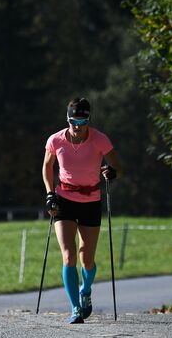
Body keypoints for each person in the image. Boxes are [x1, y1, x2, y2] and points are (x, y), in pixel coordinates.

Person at [42, 97, 122, 324]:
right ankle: (75, 308)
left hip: (90, 200)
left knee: (87, 258)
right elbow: (47, 166)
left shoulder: (100, 140)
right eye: (74, 121)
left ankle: (85, 290)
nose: (78, 126)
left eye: (83, 120)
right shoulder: (56, 140)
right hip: (64, 199)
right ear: (67, 119)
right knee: (68, 256)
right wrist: (50, 193)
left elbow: (118, 167)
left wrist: (112, 173)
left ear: (89, 119)